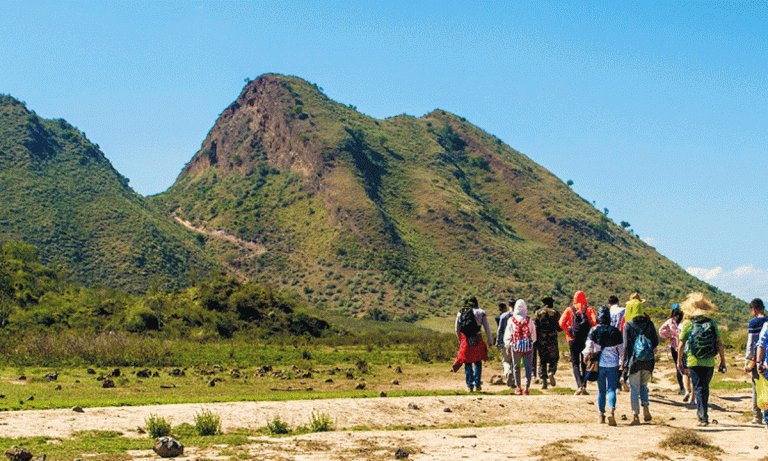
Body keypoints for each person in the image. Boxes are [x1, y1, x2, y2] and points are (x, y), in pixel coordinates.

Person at [677, 292, 726, 427]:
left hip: (694, 360)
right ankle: (703, 415)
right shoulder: (712, 323)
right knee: (704, 387)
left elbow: (681, 344)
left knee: (698, 387)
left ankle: (702, 417)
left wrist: (679, 360)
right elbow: (719, 343)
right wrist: (723, 361)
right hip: (709, 360)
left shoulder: (687, 323)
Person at [621, 297, 658, 425]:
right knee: (643, 386)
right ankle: (646, 407)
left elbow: (625, 347)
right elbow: (655, 342)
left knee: (634, 389)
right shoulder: (649, 323)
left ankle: (636, 416)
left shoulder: (627, 325)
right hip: (648, 361)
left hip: (634, 361)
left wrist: (625, 364)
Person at [583, 306, 623, 425]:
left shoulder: (594, 330)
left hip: (599, 364)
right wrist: (621, 362)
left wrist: (586, 357)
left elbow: (589, 347)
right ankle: (611, 411)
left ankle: (601, 415)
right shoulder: (615, 331)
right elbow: (621, 350)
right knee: (612, 389)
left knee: (601, 390)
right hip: (613, 364)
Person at [559, 291, 597, 395]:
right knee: (585, 362)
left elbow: (561, 323)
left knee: (575, 363)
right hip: (585, 340)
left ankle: (579, 385)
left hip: (572, 339)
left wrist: (569, 330)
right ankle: (584, 385)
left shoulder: (569, 309)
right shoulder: (589, 309)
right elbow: (595, 322)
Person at [452, 296, 494, 392]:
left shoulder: (460, 312)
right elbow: (487, 329)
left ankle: (469, 385)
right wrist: (490, 342)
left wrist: (460, 340)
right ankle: (478, 384)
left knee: (467, 362)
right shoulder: (481, 312)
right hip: (477, 339)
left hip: (466, 340)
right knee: (478, 361)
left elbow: (456, 329)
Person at [504, 299, 537, 395]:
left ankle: (518, 387)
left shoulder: (511, 320)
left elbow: (508, 335)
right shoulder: (529, 320)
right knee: (528, 367)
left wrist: (508, 346)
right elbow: (533, 335)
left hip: (516, 347)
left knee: (516, 367)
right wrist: (530, 343)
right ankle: (527, 388)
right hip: (528, 347)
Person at [745, 298, 768, 424]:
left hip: (756, 360)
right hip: (767, 360)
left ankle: (757, 416)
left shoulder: (753, 323)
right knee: (766, 388)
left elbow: (751, 344)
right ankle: (765, 415)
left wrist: (748, 362)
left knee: (757, 388)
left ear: (753, 309)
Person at [659, 303, 686, 395]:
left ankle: (682, 388)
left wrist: (669, 336)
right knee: (687, 366)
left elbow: (661, 331)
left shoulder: (670, 321)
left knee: (678, 365)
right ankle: (689, 388)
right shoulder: (686, 320)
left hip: (675, 347)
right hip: (686, 346)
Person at [535, 296, 561, 389]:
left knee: (542, 361)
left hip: (541, 340)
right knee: (554, 358)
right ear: (551, 303)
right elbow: (559, 328)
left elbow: (536, 327)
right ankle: (551, 372)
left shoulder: (538, 313)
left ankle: (544, 382)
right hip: (552, 340)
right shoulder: (556, 313)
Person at [608, 295, 630, 392]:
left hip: (611, 339)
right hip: (622, 337)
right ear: (618, 302)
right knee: (623, 359)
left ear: (609, 304)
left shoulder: (608, 312)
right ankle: (623, 378)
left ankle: (616, 386)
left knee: (614, 361)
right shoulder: (624, 310)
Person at [495, 302, 514, 387]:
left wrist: (498, 342)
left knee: (506, 360)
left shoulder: (503, 316)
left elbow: (500, 330)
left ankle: (507, 372)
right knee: (515, 362)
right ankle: (514, 379)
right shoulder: (519, 316)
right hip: (517, 342)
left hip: (505, 342)